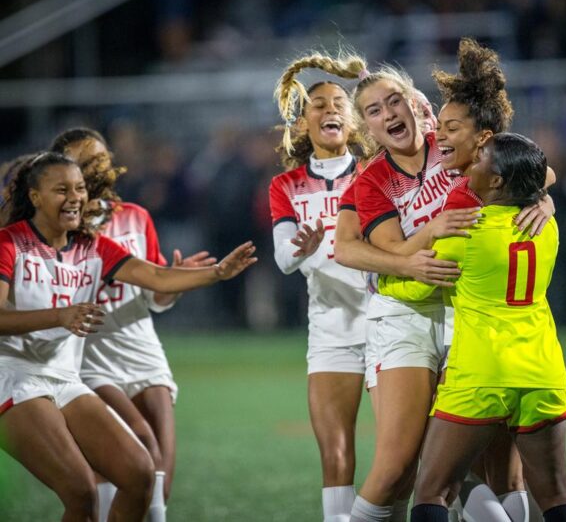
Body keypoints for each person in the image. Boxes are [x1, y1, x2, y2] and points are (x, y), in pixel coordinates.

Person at [0, 152, 255, 521]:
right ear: (36, 197)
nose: (74, 197)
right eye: (61, 190)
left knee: (139, 473)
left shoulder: (92, 245)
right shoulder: (9, 243)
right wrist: (59, 316)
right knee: (80, 490)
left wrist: (217, 272)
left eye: (79, 188)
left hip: (65, 379)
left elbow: (157, 277)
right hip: (14, 376)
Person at [379, 133, 566, 522]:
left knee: (432, 491)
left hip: (481, 375)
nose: (471, 164)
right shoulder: (547, 228)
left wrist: (382, 278)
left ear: (498, 181)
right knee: (556, 494)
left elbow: (417, 284)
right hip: (542, 372)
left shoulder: (466, 231)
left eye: (481, 159)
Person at [50, 127, 213, 522]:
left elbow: (155, 297)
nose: (96, 167)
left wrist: (172, 280)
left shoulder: (136, 218)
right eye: (84, 161)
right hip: (90, 355)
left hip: (143, 350)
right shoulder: (57, 227)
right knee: (139, 447)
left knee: (159, 475)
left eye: (101, 158)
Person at [269, 53, 377, 522]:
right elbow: (282, 260)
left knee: (411, 451)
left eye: (338, 101)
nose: (329, 108)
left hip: (390, 323)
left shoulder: (375, 171)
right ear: (303, 123)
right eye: (318, 103)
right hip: (330, 330)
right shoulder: (287, 185)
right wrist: (303, 246)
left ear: (351, 120)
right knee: (336, 460)